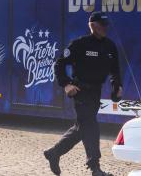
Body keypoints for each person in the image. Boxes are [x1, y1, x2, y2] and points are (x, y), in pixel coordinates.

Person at [45, 12, 122, 176]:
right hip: (80, 91)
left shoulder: (110, 46)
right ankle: (95, 168)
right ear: (93, 26)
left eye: (106, 25)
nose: (105, 28)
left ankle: (54, 153)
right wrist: (66, 84)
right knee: (91, 126)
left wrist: (117, 86)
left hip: (95, 92)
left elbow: (115, 70)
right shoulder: (80, 44)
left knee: (82, 128)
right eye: (102, 25)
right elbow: (59, 64)